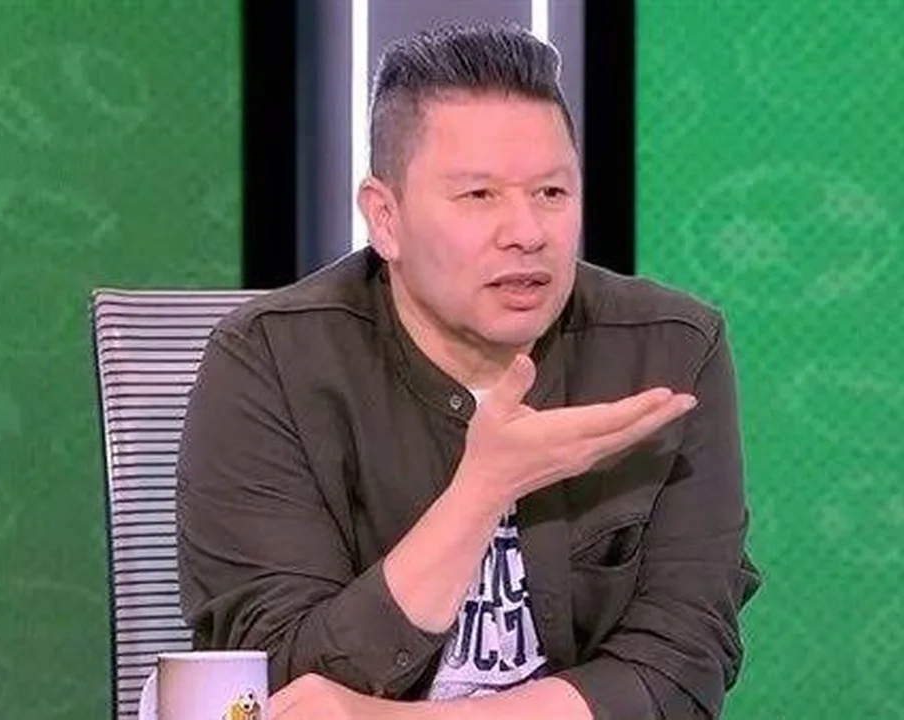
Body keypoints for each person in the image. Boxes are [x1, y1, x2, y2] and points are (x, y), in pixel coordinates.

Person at [177, 22, 760, 720]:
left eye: (552, 193)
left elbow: (684, 665)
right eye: (479, 196)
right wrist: (483, 490)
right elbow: (272, 681)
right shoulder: (269, 363)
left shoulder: (670, 352)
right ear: (384, 218)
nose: (527, 233)